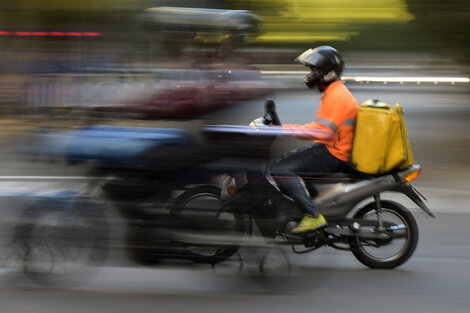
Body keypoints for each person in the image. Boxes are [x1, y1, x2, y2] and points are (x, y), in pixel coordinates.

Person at [271, 46, 358, 233]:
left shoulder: (337, 96)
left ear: (327, 72)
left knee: (280, 169)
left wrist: (283, 129)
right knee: (283, 163)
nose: (311, 74)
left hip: (332, 154)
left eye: (314, 69)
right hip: (327, 149)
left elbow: (321, 131)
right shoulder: (334, 92)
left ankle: (313, 215)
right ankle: (307, 208)